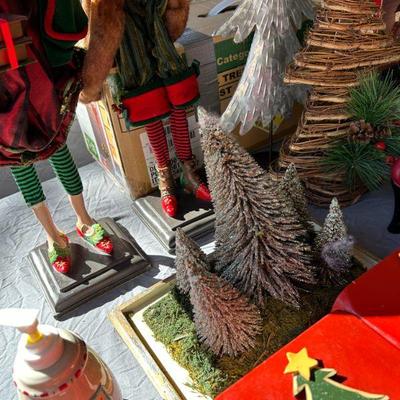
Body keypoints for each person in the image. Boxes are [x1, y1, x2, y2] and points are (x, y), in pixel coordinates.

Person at [0, 0, 112, 274]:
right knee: (16, 159)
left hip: (35, 62)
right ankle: (52, 234)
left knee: (55, 143)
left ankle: (84, 218)